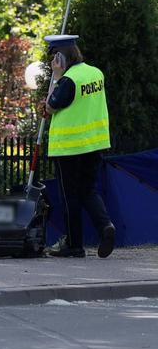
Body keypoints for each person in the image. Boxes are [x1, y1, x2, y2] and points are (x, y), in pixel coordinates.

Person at [42, 34, 115, 258]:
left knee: (69, 197)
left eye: (54, 58)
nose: (53, 62)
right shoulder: (95, 73)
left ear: (60, 58)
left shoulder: (68, 80)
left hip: (69, 148)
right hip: (94, 144)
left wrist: (55, 76)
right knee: (88, 191)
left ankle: (74, 245)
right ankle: (105, 226)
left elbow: (50, 106)